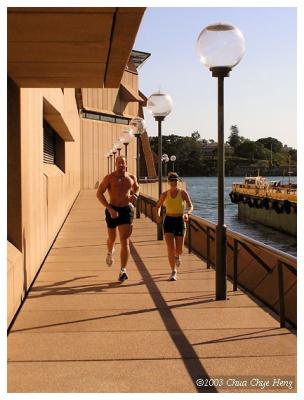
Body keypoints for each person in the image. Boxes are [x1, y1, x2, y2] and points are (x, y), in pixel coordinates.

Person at [96, 156, 139, 282]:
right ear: (115, 164)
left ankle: (123, 270)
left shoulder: (131, 177)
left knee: (125, 240)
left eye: (123, 163)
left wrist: (134, 195)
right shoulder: (109, 178)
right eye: (119, 163)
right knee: (112, 238)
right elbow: (99, 193)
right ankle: (110, 251)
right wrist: (110, 209)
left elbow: (136, 187)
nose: (121, 165)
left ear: (126, 164)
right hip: (112, 209)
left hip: (126, 210)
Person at [156, 172, 193, 281]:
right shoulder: (164, 194)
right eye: (171, 180)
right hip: (168, 221)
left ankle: (177, 256)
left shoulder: (183, 193)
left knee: (179, 249)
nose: (174, 182)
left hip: (179, 221)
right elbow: (158, 206)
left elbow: (191, 206)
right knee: (170, 248)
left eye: (175, 180)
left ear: (178, 181)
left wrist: (187, 213)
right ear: (168, 182)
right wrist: (158, 215)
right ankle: (173, 271)